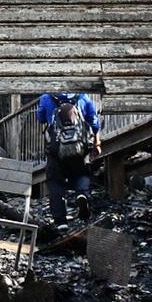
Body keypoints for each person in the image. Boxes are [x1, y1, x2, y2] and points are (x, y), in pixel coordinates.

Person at [37, 91, 101, 225]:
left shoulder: (46, 97)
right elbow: (93, 121)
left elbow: (41, 118)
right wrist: (97, 143)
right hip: (79, 148)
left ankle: (60, 221)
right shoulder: (82, 96)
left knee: (55, 181)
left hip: (56, 150)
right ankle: (81, 194)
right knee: (81, 173)